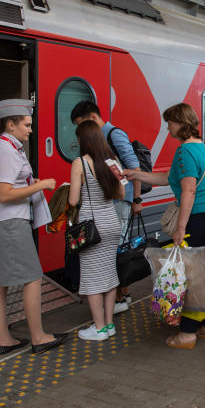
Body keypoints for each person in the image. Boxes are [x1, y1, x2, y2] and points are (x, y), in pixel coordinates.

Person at [126, 103, 205, 349]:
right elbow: (171, 178)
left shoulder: (184, 152)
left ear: (181, 123)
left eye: (170, 121)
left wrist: (180, 228)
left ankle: (188, 333)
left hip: (199, 218)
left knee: (189, 274)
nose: (167, 126)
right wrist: (137, 175)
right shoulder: (199, 147)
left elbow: (189, 190)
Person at [0, 99, 67, 355]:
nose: (31, 129)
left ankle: (4, 339)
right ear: (11, 124)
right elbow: (6, 193)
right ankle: (39, 337)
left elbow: (9, 187)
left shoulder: (1, 147)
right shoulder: (7, 151)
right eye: (27, 125)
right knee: (32, 277)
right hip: (9, 222)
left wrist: (31, 184)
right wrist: (42, 185)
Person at [70, 101, 142, 314]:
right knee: (115, 252)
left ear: (91, 119)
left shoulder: (113, 135)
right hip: (112, 204)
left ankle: (122, 297)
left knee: (115, 254)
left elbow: (134, 166)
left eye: (81, 126)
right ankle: (120, 297)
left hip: (118, 204)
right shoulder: (106, 155)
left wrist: (136, 200)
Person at [68, 121, 124, 341]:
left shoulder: (79, 163)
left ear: (83, 140)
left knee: (92, 279)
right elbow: (120, 193)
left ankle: (99, 328)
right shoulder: (112, 162)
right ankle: (109, 325)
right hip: (111, 223)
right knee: (110, 276)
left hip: (92, 229)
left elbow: (73, 200)